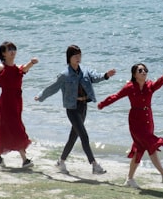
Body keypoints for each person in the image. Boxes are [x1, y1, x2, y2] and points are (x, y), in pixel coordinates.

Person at [35, 45, 115, 175]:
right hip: (72, 108)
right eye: (75, 56)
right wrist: (40, 96)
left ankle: (61, 162)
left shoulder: (85, 70)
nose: (78, 58)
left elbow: (95, 77)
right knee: (83, 135)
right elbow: (52, 87)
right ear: (69, 57)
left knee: (73, 137)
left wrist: (106, 75)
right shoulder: (64, 75)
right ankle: (94, 164)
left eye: (80, 55)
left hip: (83, 106)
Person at [98, 63, 163, 189]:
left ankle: (129, 179)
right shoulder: (130, 87)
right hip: (135, 121)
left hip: (148, 119)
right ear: (134, 74)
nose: (144, 72)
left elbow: (157, 84)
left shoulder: (149, 85)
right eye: (140, 70)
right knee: (151, 144)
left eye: (145, 70)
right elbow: (116, 96)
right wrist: (103, 104)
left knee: (139, 149)